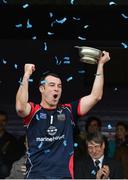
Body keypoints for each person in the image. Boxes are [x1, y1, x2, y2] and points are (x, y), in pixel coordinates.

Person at [15, 51, 110, 179]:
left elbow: (96, 96)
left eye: (59, 86)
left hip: (63, 177)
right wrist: (26, 75)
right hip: (36, 176)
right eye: (52, 85)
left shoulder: (68, 111)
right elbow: (20, 107)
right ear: (42, 89)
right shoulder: (33, 110)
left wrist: (100, 65)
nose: (56, 89)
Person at [0, 110, 21, 178]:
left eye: (3, 120)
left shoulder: (12, 140)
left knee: (4, 169)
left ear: (6, 122)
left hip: (5, 169)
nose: (0, 123)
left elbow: (15, 157)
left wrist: (4, 154)